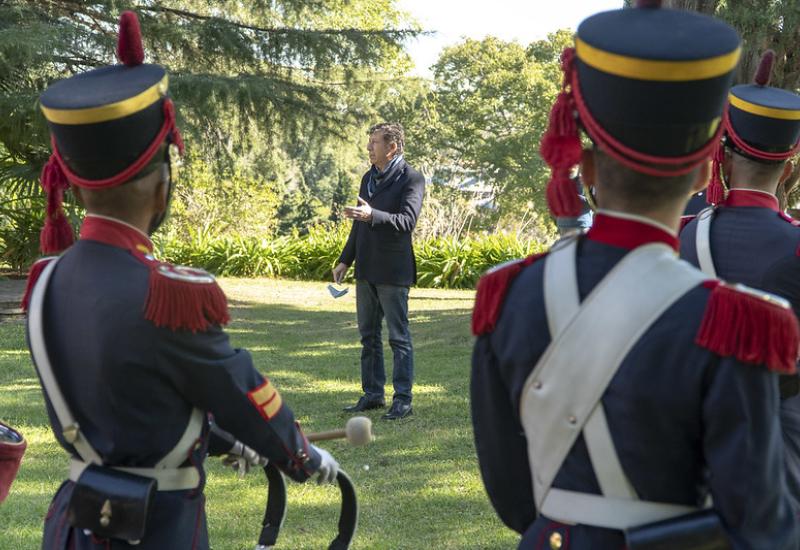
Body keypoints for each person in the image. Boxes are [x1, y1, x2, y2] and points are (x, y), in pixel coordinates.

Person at [470, 2, 799, 549]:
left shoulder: (506, 294)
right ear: (702, 171)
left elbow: (513, 497)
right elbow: (760, 527)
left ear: (588, 170)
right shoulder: (734, 322)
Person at [23, 12, 338, 549]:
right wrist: (301, 454)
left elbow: (132, 403)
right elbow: (239, 388)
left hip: (74, 525)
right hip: (156, 529)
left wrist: (220, 440)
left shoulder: (46, 282)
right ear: (161, 185)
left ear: (72, 187)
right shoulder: (167, 293)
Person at [679, 50, 800, 511]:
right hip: (782, 450)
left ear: (723, 162)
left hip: (691, 436)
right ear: (788, 169)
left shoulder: (682, 234)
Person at [333, 123, 425, 421]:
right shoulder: (367, 178)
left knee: (398, 338)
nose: (369, 147)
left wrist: (373, 215)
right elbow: (358, 224)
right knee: (368, 336)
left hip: (393, 272)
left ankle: (403, 400)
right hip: (366, 268)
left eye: (374, 142)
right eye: (369, 142)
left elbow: (406, 221)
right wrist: (345, 260)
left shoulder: (411, 178)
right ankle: (373, 394)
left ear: (392, 147)